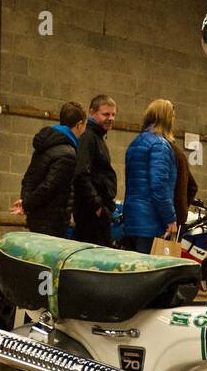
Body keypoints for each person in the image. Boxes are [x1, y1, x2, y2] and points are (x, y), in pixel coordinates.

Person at [16, 101, 85, 237]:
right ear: (79, 124)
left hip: (37, 217)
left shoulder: (47, 144)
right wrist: (27, 204)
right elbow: (50, 187)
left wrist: (26, 201)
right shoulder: (68, 153)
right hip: (52, 221)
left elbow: (29, 177)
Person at [122, 99, 178, 252]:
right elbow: (159, 186)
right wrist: (170, 218)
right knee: (148, 273)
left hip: (132, 220)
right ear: (167, 119)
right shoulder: (160, 145)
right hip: (150, 222)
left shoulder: (136, 143)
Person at [72, 94, 118, 246]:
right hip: (90, 214)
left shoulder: (98, 137)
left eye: (113, 114)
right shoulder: (89, 137)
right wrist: (97, 205)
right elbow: (80, 174)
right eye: (105, 114)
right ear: (92, 113)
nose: (110, 118)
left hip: (97, 211)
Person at [170, 135, 199, 228]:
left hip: (167, 220)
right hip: (177, 217)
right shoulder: (179, 154)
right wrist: (182, 209)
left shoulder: (167, 153)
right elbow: (193, 187)